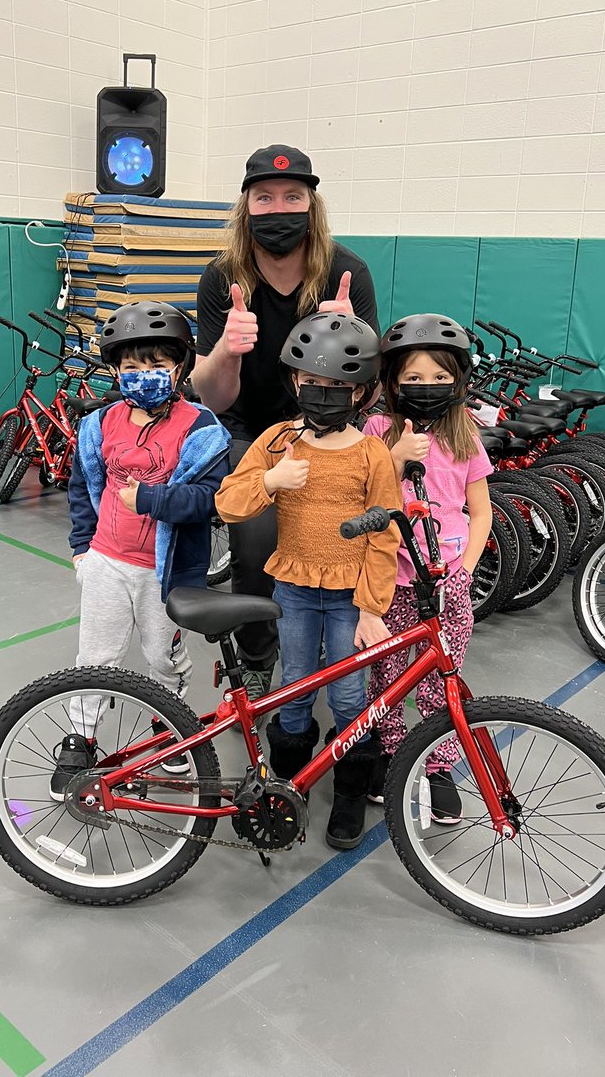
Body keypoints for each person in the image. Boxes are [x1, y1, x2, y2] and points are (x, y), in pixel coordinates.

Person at [191, 145, 379, 703]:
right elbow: (213, 395)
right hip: (251, 431)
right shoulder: (222, 277)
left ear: (312, 204)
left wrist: (350, 345)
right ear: (246, 205)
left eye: (293, 196)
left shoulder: (348, 273)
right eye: (265, 197)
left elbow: (367, 391)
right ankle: (256, 656)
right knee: (255, 548)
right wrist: (227, 350)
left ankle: (333, 644)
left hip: (329, 430)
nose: (279, 208)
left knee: (343, 538)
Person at [215, 312, 400, 850]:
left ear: (362, 393)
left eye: (339, 387)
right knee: (294, 691)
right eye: (314, 385)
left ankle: (347, 796)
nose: (324, 396)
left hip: (349, 597)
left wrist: (372, 609)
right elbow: (229, 502)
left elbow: (384, 534)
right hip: (293, 590)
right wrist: (270, 481)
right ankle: (286, 787)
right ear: (295, 381)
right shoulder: (278, 440)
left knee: (347, 698)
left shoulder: (370, 454)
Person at [51, 301, 230, 800]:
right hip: (107, 561)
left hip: (163, 572)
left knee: (163, 656)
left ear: (181, 368)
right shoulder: (100, 424)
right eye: (132, 367)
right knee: (96, 656)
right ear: (115, 370)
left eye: (156, 365)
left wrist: (151, 497)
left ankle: (168, 729)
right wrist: (81, 547)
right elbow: (83, 485)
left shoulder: (201, 429)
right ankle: (81, 738)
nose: (143, 376)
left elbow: (209, 500)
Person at [362, 314, 493, 823]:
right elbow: (365, 497)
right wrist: (394, 458)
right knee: (388, 676)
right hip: (391, 581)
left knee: (442, 677)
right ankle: (391, 751)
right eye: (414, 378)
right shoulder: (377, 431)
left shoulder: (467, 439)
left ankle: (438, 766)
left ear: (458, 383)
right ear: (394, 383)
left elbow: (480, 510)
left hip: (447, 584)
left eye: (440, 379)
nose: (427, 388)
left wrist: (466, 567)